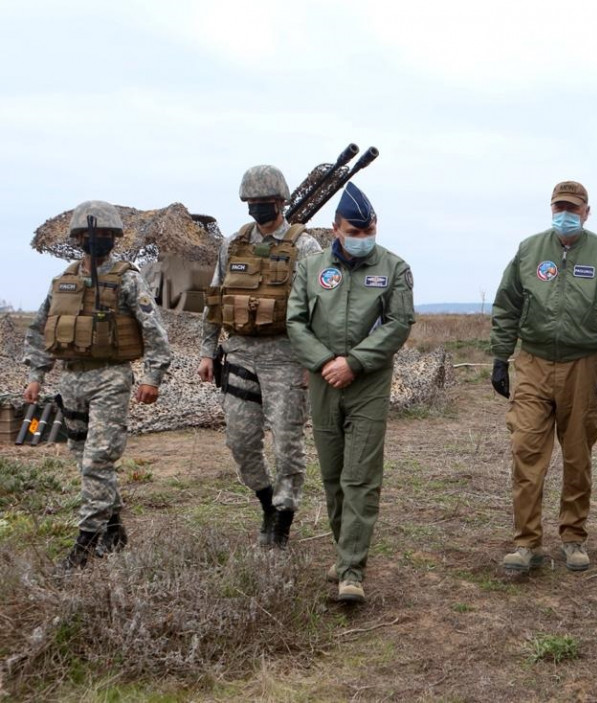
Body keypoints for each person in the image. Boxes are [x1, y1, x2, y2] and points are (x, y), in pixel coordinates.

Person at [490, 180, 597, 575]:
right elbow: (507, 305)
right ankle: (526, 543)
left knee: (577, 455)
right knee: (526, 451)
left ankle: (573, 537)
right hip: (534, 363)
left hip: (583, 364)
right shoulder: (529, 251)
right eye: (560, 207)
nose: (566, 214)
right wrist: (500, 358)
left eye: (573, 208)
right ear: (550, 208)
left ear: (587, 212)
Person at [23, 200, 172, 569]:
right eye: (91, 234)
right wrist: (35, 375)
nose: (97, 240)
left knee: (97, 461)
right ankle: (115, 529)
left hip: (110, 378)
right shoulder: (64, 281)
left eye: (105, 234)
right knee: (82, 460)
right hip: (71, 379)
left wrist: (153, 377)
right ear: (76, 239)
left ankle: (84, 545)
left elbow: (154, 331)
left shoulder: (127, 277)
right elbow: (41, 328)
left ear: (115, 238)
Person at [286, 182, 415, 603]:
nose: (362, 238)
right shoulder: (310, 268)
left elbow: (398, 324)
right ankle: (345, 550)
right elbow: (296, 323)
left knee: (360, 476)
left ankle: (352, 571)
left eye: (368, 230)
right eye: (353, 231)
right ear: (336, 228)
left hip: (368, 384)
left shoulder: (395, 268)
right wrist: (325, 363)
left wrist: (354, 363)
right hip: (324, 383)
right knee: (332, 475)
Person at [197, 165, 321, 549]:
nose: (257, 208)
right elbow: (215, 301)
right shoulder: (234, 244)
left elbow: (321, 306)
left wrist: (310, 362)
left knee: (287, 444)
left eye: (264, 202)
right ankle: (267, 502)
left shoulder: (305, 246)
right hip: (239, 355)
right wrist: (206, 351)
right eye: (251, 202)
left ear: (281, 202)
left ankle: (283, 517)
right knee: (240, 440)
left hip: (286, 356)